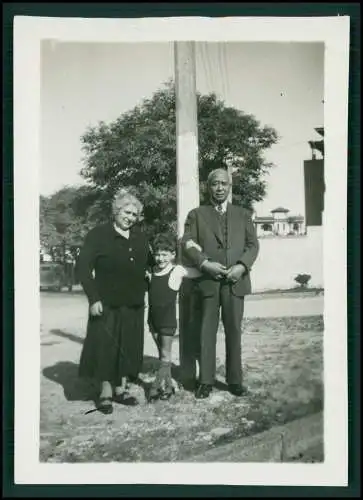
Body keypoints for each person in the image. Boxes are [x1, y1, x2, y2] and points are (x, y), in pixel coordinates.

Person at [181, 168, 260, 399]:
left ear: (230, 187)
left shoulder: (243, 214)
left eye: (224, 184)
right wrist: (204, 264)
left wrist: (242, 267)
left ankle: (235, 381)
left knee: (234, 331)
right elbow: (187, 242)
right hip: (208, 282)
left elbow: (253, 245)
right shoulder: (196, 214)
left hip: (236, 281)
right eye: (215, 183)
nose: (219, 188)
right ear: (208, 187)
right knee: (206, 331)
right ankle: (205, 381)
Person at [77, 188, 150, 414]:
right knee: (106, 348)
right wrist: (93, 298)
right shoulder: (98, 235)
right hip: (106, 303)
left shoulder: (140, 236)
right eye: (126, 212)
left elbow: (148, 262)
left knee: (128, 346)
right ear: (116, 211)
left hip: (134, 303)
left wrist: (147, 276)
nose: (130, 218)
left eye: (134, 215)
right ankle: (106, 393)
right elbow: (82, 268)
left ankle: (122, 389)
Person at [146, 233, 201, 402]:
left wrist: (199, 251)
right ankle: (169, 387)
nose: (160, 258)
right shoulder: (151, 271)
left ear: (172, 255)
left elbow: (198, 271)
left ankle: (155, 388)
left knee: (165, 356)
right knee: (164, 357)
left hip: (167, 321)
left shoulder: (177, 270)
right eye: (157, 254)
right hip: (153, 320)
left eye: (164, 254)